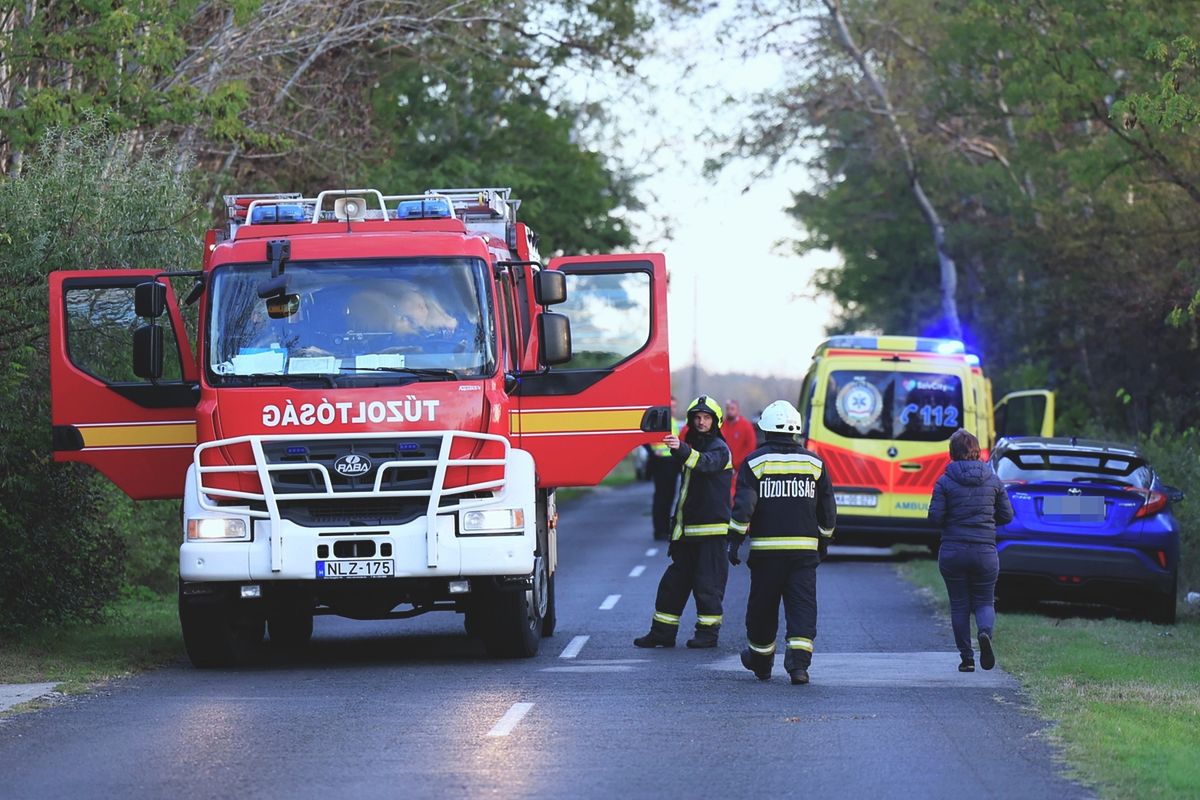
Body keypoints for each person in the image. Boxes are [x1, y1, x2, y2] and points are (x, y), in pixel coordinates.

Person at [727, 400, 837, 685]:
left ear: (765, 429)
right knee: (802, 608)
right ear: (796, 430)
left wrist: (735, 540)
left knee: (762, 608)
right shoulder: (815, 462)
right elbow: (828, 509)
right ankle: (799, 666)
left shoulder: (755, 462)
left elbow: (744, 506)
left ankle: (761, 662)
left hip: (767, 554)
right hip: (804, 554)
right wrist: (823, 541)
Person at [634, 395, 734, 649]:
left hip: (711, 534)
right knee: (673, 585)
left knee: (707, 586)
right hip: (688, 533)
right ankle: (662, 633)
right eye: (697, 417)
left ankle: (708, 634)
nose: (701, 422)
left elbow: (704, 464)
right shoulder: (694, 444)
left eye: (706, 418)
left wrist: (680, 448)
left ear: (716, 421)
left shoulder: (719, 448)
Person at [926, 428, 1014, 672]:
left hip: (953, 551)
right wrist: (986, 520)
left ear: (952, 453)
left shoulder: (944, 481)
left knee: (959, 605)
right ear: (976, 451)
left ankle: (967, 658)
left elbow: (934, 518)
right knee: (985, 601)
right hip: (985, 551)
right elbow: (1007, 515)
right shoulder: (993, 479)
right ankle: (984, 634)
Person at [646, 396, 684, 540]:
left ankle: (666, 528)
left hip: (672, 463)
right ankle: (659, 530)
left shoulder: (673, 422)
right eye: (671, 406)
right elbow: (646, 439)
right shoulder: (659, 421)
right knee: (661, 497)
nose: (673, 409)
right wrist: (652, 453)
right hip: (660, 462)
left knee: (669, 497)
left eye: (674, 406)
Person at [722, 399, 758, 498]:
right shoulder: (722, 426)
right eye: (728, 409)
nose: (730, 411)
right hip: (724, 468)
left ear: (738, 410)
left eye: (732, 409)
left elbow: (751, 447)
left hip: (739, 469)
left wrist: (738, 465)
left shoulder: (746, 426)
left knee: (737, 494)